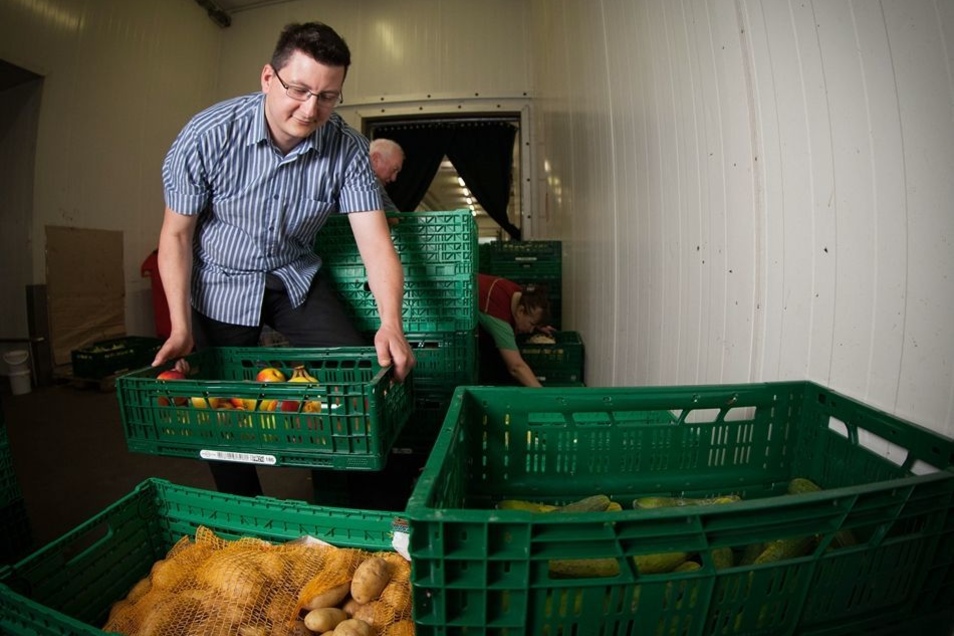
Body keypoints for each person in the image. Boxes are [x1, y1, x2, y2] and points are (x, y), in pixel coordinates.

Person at [153, 21, 415, 497]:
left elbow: (375, 242)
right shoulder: (208, 136)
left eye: (328, 96)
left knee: (349, 375)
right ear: (268, 78)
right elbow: (175, 235)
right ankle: (245, 514)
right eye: (299, 89)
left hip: (296, 276)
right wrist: (179, 326)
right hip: (220, 283)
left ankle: (339, 503)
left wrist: (390, 322)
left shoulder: (348, 148)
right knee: (222, 405)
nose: (311, 108)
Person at [477, 273, 551, 387]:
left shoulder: (518, 293)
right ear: (521, 311)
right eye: (531, 324)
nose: (531, 331)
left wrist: (538, 325)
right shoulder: (499, 319)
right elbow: (516, 367)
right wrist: (542, 394)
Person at [369, 138, 404, 214]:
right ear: (375, 160)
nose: (393, 178)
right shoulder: (371, 181)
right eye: (394, 169)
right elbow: (396, 220)